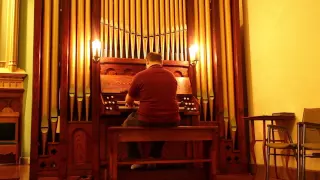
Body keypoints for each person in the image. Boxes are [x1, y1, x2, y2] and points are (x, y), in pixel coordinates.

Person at [122, 52, 180, 170]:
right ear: (162, 62)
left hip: (148, 118)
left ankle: (136, 159)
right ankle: (154, 156)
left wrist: (135, 103)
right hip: (172, 119)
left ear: (147, 62)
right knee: (163, 125)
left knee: (126, 125)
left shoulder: (140, 75)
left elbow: (129, 100)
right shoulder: (171, 76)